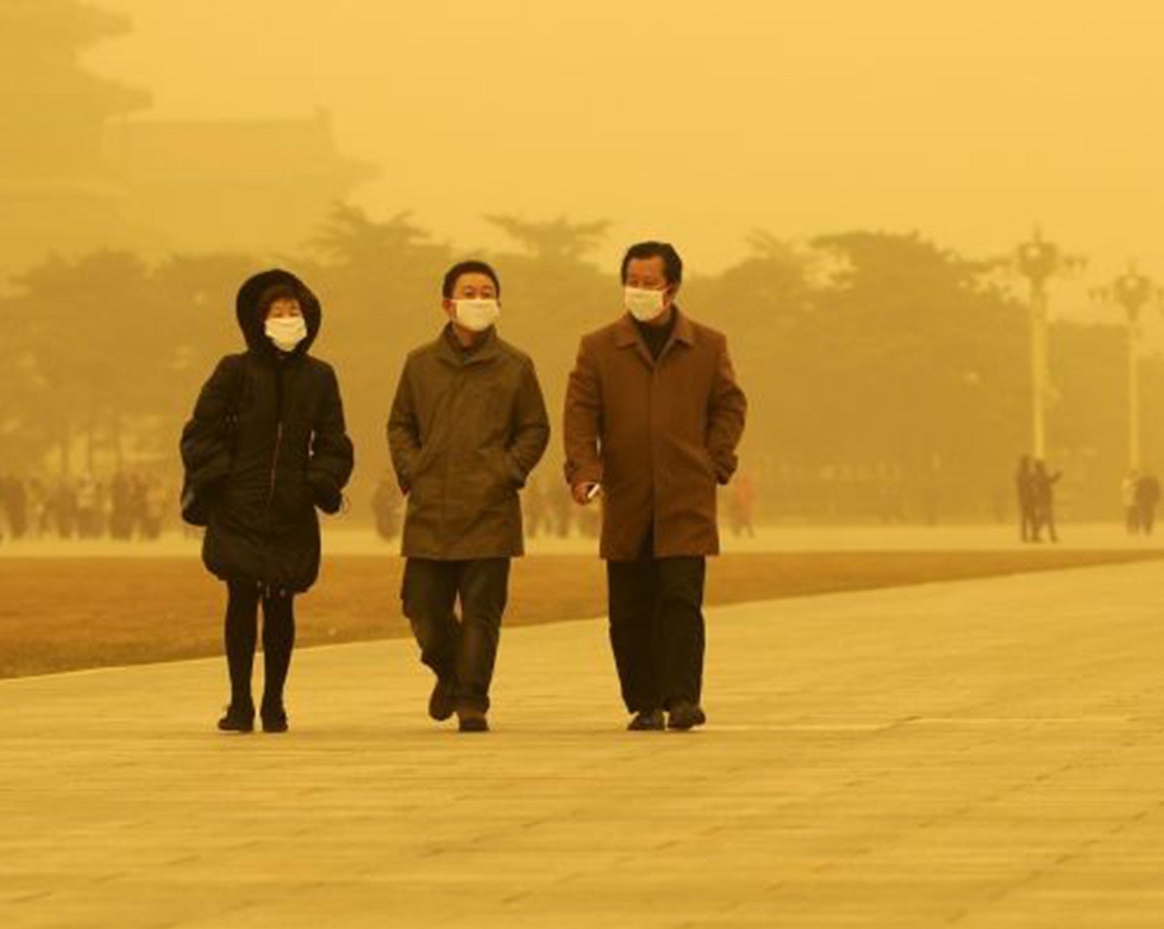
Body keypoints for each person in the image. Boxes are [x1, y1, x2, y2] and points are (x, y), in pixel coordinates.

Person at [564, 240, 748, 732]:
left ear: (672, 287)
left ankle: (683, 697)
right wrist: (584, 470)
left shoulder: (708, 345)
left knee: (680, 601)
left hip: (685, 494)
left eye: (649, 282)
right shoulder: (599, 347)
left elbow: (730, 405)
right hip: (626, 495)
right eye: (632, 282)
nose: (639, 291)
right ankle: (643, 701)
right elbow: (581, 416)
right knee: (628, 609)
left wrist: (714, 460)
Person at [180, 268, 354, 734]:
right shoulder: (233, 371)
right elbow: (200, 433)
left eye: (293, 311)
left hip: (291, 510)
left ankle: (274, 702)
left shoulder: (320, 377)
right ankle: (239, 702)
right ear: (258, 320)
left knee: (282, 603)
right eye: (277, 313)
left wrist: (319, 481)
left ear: (309, 317)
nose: (286, 319)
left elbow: (335, 442)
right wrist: (223, 479)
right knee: (241, 598)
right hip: (239, 506)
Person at [388, 259, 550, 734]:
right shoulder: (419, 363)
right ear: (447, 303)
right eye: (469, 292)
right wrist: (413, 469)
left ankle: (473, 700)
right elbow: (400, 424)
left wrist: (507, 470)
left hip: (490, 509)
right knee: (422, 609)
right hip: (430, 508)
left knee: (482, 613)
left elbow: (534, 427)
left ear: (497, 303)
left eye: (487, 293)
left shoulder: (516, 365)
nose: (478, 301)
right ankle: (450, 672)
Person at [1015, 455, 1040, 542]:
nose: (1029, 464)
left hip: (1024, 499)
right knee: (1031, 518)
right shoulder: (1023, 473)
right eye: (1028, 462)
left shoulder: (1020, 473)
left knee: (1026, 519)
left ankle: (1025, 536)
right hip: (1027, 500)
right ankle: (1033, 536)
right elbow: (1028, 482)